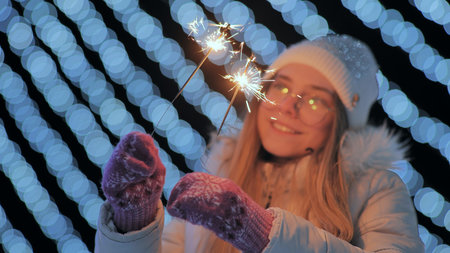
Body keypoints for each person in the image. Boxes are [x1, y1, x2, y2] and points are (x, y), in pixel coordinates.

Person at [95, 34, 425, 253]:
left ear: (340, 123)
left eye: (314, 101)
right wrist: (133, 219)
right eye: (281, 87)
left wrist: (261, 230)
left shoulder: (375, 189)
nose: (288, 106)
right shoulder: (219, 175)